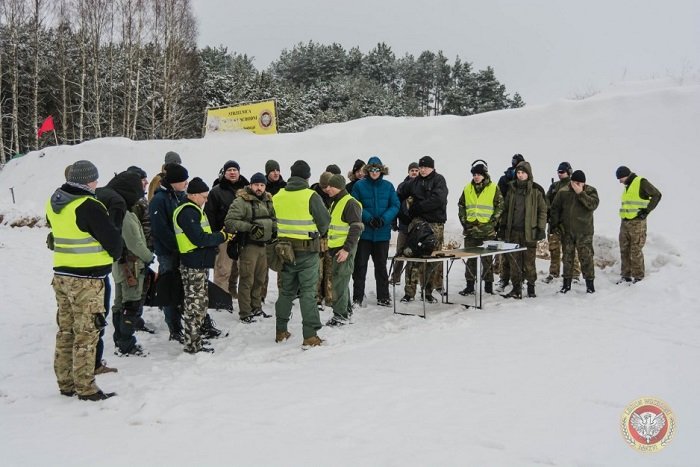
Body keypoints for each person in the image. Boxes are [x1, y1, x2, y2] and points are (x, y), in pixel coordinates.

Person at [46, 160, 122, 401]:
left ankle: (66, 382)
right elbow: (114, 243)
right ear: (88, 180)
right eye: (95, 179)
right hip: (87, 279)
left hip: (62, 275)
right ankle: (86, 387)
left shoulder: (55, 201)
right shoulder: (88, 205)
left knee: (66, 330)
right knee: (87, 333)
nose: (97, 183)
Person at [272, 160, 330, 348]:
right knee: (308, 293)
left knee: (286, 292)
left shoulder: (278, 195)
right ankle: (310, 336)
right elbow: (324, 222)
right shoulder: (310, 195)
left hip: (285, 251)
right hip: (307, 252)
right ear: (307, 176)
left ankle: (281, 331)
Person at [173, 177, 229, 354]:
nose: (205, 201)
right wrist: (221, 237)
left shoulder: (193, 209)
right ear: (194, 195)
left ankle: (195, 339)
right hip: (193, 263)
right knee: (194, 304)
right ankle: (192, 344)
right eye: (204, 197)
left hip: (198, 263)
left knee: (199, 302)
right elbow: (198, 239)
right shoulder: (188, 212)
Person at [110, 171, 155, 356]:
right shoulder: (126, 216)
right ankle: (126, 343)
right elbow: (135, 243)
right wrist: (148, 257)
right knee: (130, 304)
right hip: (132, 266)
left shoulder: (120, 211)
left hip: (121, 265)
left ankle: (120, 339)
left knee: (120, 303)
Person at [224, 172, 277, 323]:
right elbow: (230, 221)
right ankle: (245, 312)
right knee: (247, 279)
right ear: (251, 185)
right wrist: (249, 227)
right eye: (256, 185)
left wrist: (274, 230)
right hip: (248, 246)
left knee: (260, 279)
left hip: (264, 246)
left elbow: (273, 218)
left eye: (262, 185)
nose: (259, 188)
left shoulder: (268, 200)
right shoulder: (241, 201)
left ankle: (256, 307)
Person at [398, 156, 448, 303]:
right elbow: (399, 194)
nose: (423, 170)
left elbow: (439, 199)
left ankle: (427, 292)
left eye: (426, 167)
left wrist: (419, 206)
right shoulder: (413, 182)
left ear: (432, 167)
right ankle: (409, 293)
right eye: (421, 167)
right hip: (418, 225)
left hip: (435, 225)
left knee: (432, 259)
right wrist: (404, 213)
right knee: (413, 257)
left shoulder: (439, 180)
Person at [351, 156, 400, 307]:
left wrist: (384, 219)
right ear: (367, 170)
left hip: (382, 234)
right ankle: (357, 297)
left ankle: (383, 296)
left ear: (381, 170)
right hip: (365, 234)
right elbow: (355, 204)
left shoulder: (388, 186)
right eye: (371, 169)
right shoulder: (359, 186)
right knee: (360, 267)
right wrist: (368, 218)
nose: (374, 172)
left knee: (381, 266)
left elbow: (395, 205)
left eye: (377, 169)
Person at [149, 162, 188, 342]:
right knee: (169, 288)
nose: (186, 183)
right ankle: (174, 327)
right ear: (173, 182)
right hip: (167, 252)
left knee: (181, 288)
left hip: (181, 250)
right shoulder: (160, 199)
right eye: (183, 180)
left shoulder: (178, 196)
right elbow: (161, 229)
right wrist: (177, 245)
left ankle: (182, 322)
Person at [205, 160, 249, 304]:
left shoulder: (247, 189)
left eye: (234, 170)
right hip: (224, 235)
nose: (232, 172)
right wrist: (214, 236)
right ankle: (220, 299)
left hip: (243, 235)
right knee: (223, 269)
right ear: (224, 173)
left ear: (239, 172)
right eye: (229, 170)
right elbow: (209, 215)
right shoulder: (216, 191)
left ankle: (233, 293)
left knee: (239, 269)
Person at [501, 161, 547, 299]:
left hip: (529, 232)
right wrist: (503, 228)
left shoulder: (536, 190)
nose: (520, 175)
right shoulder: (511, 189)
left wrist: (540, 228)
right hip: (513, 232)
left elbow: (542, 211)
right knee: (514, 262)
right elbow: (506, 210)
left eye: (523, 173)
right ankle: (516, 288)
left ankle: (531, 288)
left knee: (529, 262)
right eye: (518, 173)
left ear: (528, 174)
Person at [457, 160, 503, 295]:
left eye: (479, 174)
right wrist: (464, 221)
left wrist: (493, 221)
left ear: (484, 175)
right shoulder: (467, 188)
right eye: (474, 174)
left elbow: (500, 205)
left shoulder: (493, 188)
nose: (476, 177)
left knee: (487, 260)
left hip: (487, 231)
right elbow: (461, 206)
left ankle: (488, 287)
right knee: (470, 259)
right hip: (471, 231)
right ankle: (470, 286)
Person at [550, 170, 599, 293]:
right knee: (567, 258)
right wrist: (555, 225)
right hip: (567, 232)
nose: (577, 185)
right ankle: (566, 284)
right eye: (574, 182)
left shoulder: (590, 191)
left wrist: (580, 193)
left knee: (586, 258)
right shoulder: (563, 192)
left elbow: (592, 205)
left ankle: (590, 285)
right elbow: (555, 208)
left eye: (580, 183)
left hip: (584, 232)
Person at [324, 174, 364, 326]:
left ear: (339, 187)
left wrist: (346, 249)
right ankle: (345, 311)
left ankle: (340, 316)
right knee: (340, 279)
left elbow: (356, 227)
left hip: (344, 248)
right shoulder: (336, 202)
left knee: (340, 281)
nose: (327, 189)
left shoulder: (350, 203)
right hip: (336, 247)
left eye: (330, 186)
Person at [616, 165, 662, 283]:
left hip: (637, 223)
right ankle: (625, 275)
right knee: (624, 249)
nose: (620, 182)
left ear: (625, 175)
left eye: (620, 179)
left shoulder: (641, 182)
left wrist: (646, 211)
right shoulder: (628, 186)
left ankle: (638, 277)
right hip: (625, 222)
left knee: (635, 250)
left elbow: (657, 195)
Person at [544, 162, 581, 283]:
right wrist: (550, 212)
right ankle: (553, 273)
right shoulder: (554, 186)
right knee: (554, 249)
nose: (560, 174)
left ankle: (574, 274)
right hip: (554, 224)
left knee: (570, 250)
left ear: (569, 172)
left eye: (562, 172)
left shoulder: (574, 186)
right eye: (558, 172)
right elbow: (546, 200)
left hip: (568, 224)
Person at [495, 153, 525, 292]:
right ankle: (504, 278)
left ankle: (519, 280)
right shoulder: (505, 179)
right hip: (505, 220)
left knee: (519, 254)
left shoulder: (526, 180)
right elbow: (498, 198)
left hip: (520, 221)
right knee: (504, 253)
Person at [390, 162, 419, 285]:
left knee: (415, 254)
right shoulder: (402, 186)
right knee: (399, 252)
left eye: (416, 170)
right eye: (412, 170)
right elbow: (395, 204)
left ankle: (413, 281)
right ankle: (395, 277)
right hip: (404, 225)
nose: (414, 172)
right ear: (408, 172)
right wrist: (394, 221)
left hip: (417, 227)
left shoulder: (422, 186)